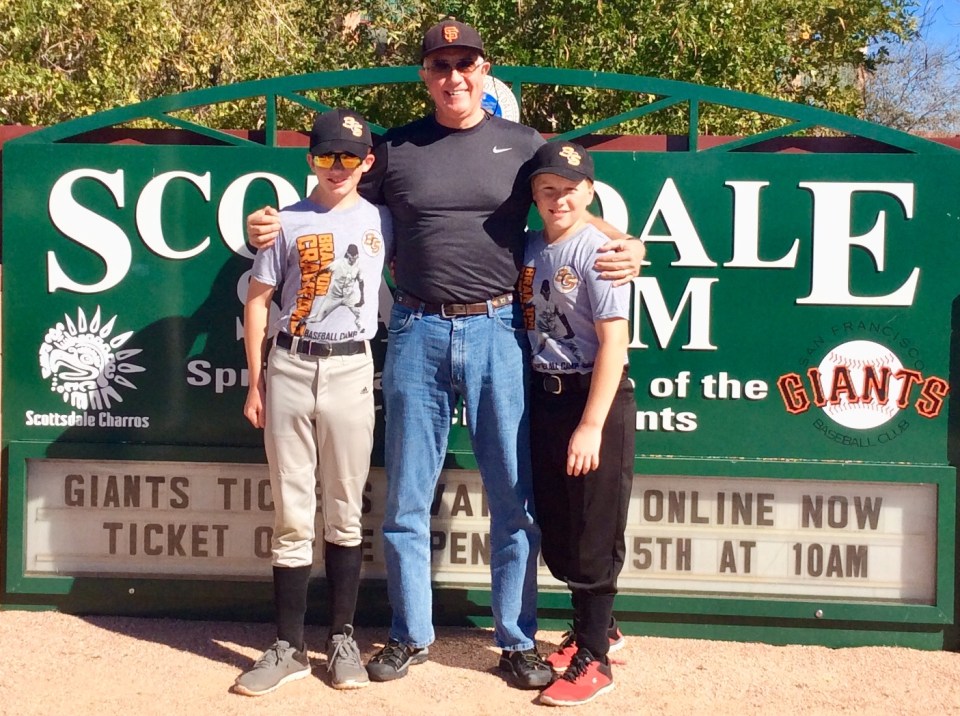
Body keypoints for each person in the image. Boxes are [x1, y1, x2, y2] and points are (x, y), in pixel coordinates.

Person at [245, 19, 644, 690]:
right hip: (416, 332)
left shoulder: (524, 147)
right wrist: (271, 220)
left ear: (486, 69)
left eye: (465, 62)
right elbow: (329, 203)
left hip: (499, 333)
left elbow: (569, 203)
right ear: (425, 75)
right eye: (440, 64)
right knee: (406, 497)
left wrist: (627, 242)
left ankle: (516, 640)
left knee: (512, 499)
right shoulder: (397, 148)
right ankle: (409, 636)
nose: (453, 75)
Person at [235, 108, 392, 696]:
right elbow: (258, 301)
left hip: (353, 365)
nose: (337, 167)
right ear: (310, 160)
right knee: (292, 514)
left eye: (349, 157)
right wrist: (255, 380)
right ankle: (287, 645)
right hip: (292, 365)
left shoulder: (383, 220)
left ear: (367, 163)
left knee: (346, 510)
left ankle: (342, 637)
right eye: (326, 156)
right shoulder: (286, 223)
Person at [520, 141, 636, 707]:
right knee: (560, 527)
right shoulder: (530, 248)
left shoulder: (602, 252)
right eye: (548, 188)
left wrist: (591, 425)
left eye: (570, 188)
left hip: (596, 397)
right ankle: (598, 628)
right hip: (546, 395)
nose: (558, 197)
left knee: (593, 526)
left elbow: (616, 341)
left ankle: (597, 658)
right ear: (534, 194)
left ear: (589, 192)